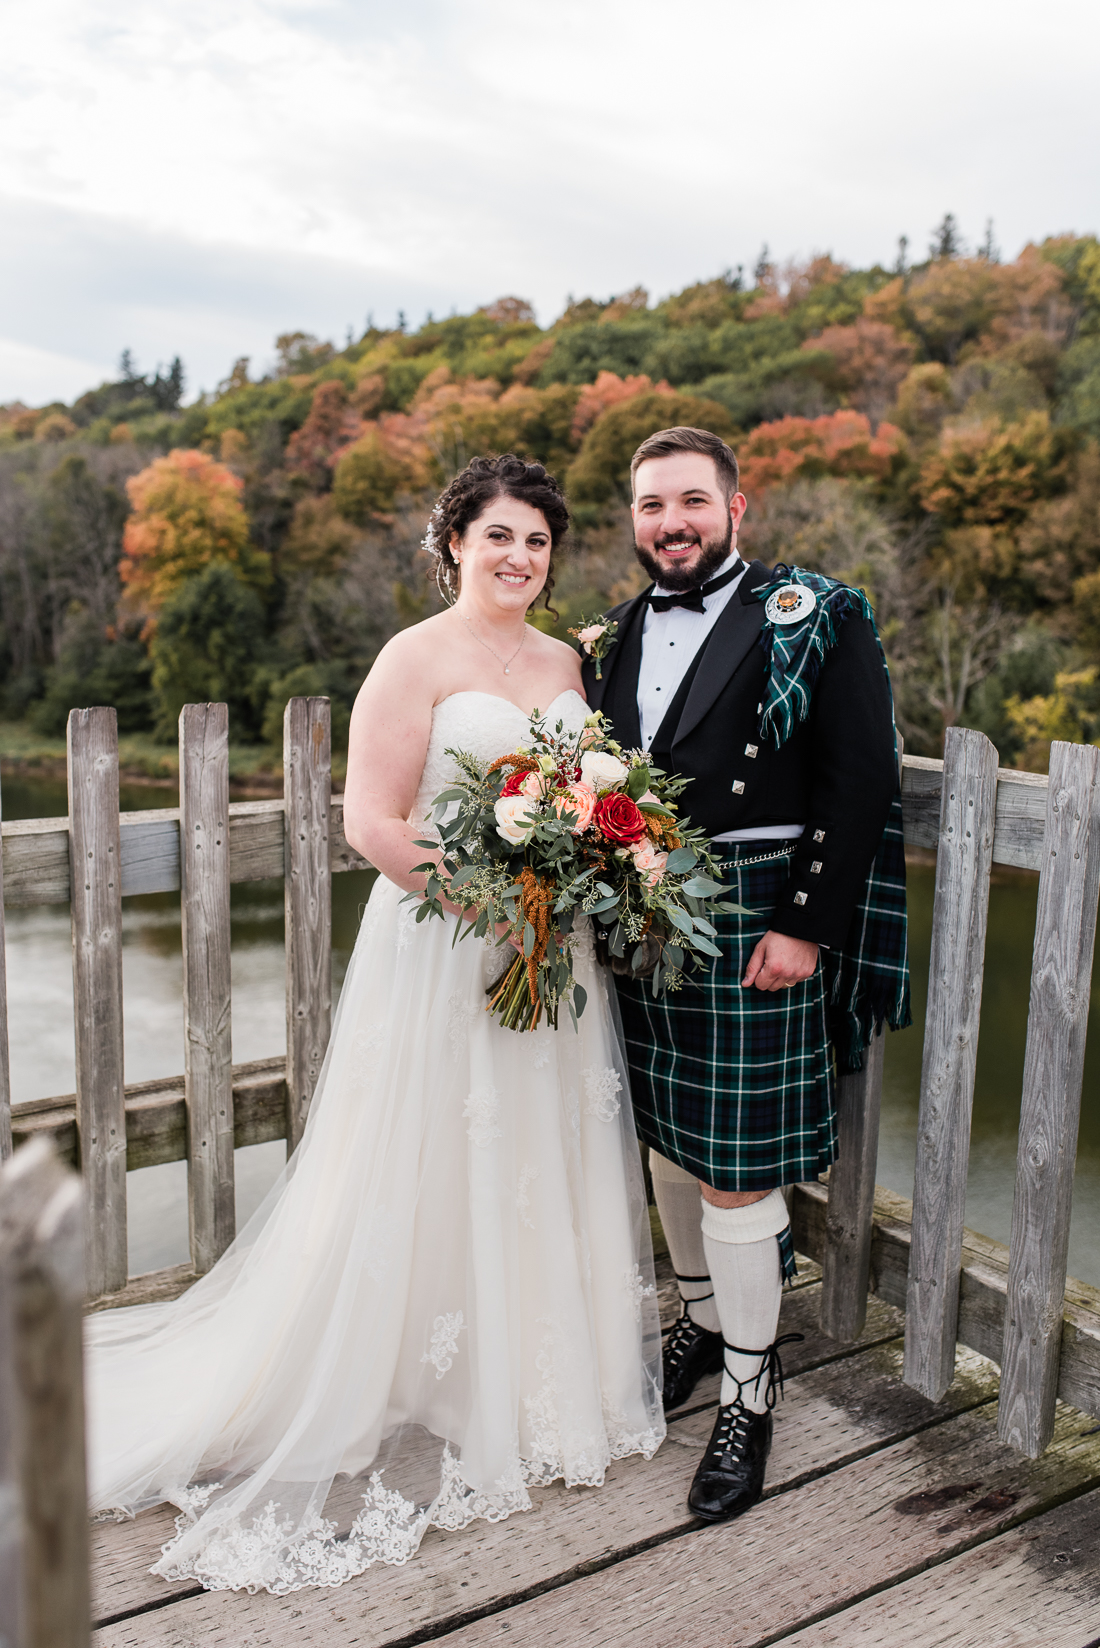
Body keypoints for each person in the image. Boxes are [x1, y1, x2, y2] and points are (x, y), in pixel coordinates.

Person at [84, 455, 664, 1595]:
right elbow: (371, 821)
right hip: (448, 949)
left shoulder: (568, 662)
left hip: (551, 954)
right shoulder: (413, 656)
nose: (518, 558)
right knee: (430, 1145)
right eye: (498, 536)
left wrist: (578, 874)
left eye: (537, 542)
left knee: (531, 1147)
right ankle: (396, 1366)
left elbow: (592, 798)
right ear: (454, 543)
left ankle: (527, 1378)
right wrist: (494, 901)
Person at [581, 425, 907, 1525]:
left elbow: (858, 777)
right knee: (665, 1144)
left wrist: (807, 927)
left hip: (756, 918)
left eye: (688, 501)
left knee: (734, 1172)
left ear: (735, 507)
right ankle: (701, 1315)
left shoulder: (815, 611)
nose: (668, 522)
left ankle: (749, 1392)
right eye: (648, 506)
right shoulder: (613, 634)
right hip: (643, 916)